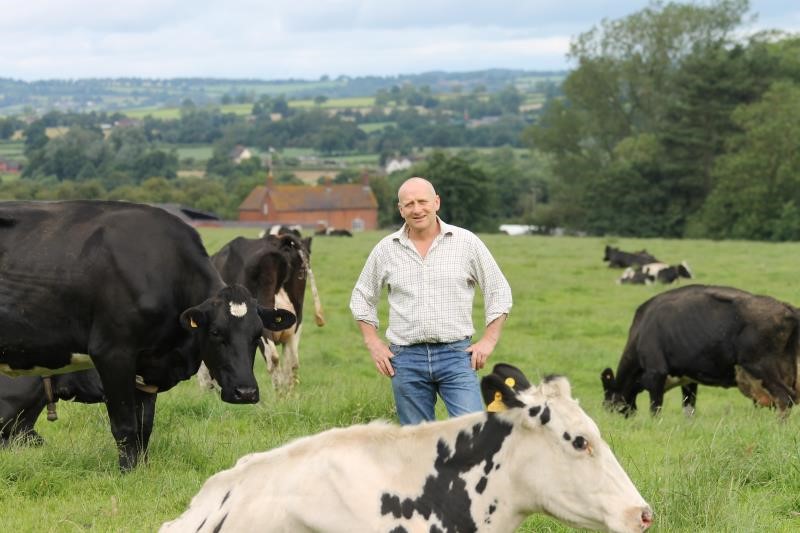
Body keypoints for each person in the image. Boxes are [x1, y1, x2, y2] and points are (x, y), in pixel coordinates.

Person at [350, 176, 512, 424]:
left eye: (422, 201)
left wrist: (489, 341)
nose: (417, 209)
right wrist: (373, 342)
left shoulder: (466, 243)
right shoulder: (386, 249)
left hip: (456, 355)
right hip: (405, 359)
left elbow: (499, 291)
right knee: (417, 444)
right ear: (400, 209)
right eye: (409, 204)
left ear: (436, 202)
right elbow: (362, 297)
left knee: (472, 432)